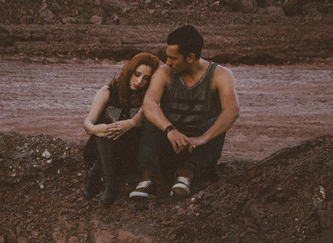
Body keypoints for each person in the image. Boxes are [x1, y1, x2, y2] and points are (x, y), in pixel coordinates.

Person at [129, 24, 239, 200]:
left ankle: (186, 175)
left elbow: (232, 110)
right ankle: (148, 178)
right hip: (170, 143)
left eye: (173, 58)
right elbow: (149, 103)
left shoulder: (220, 75)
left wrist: (204, 138)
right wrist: (170, 129)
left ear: (190, 57)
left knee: (220, 121)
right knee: (152, 117)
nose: (167, 62)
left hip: (198, 147)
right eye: (167, 57)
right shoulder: (164, 73)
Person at [81, 52, 161, 205]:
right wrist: (97, 129)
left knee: (119, 134)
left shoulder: (149, 97)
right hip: (98, 147)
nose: (139, 81)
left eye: (146, 78)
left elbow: (139, 121)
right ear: (129, 70)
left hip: (127, 152)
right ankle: (111, 184)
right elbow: (88, 123)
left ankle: (97, 171)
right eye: (136, 74)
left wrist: (130, 123)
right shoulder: (108, 91)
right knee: (105, 127)